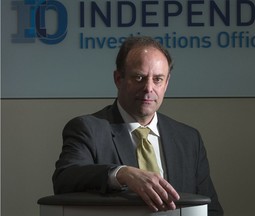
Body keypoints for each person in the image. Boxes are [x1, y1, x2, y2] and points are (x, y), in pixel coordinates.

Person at [52, 36, 224, 215]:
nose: (149, 88)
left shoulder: (188, 139)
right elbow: (64, 179)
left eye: (157, 79)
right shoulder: (88, 129)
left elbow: (210, 210)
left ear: (166, 83)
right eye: (139, 77)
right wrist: (121, 174)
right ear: (118, 78)